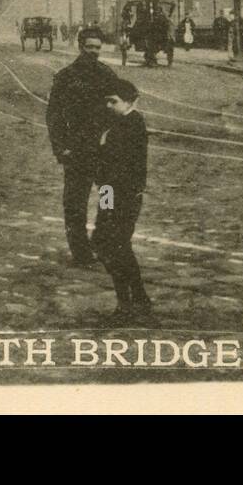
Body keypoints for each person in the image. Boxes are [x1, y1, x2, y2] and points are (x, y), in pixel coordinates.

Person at [46, 27, 123, 266]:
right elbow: (55, 116)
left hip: (102, 151)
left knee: (108, 198)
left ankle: (102, 242)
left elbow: (118, 112)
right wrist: (61, 148)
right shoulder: (66, 76)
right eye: (89, 47)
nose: (93, 52)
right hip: (77, 150)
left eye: (97, 48)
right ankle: (80, 252)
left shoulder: (107, 75)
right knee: (76, 204)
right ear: (80, 47)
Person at [92, 79, 154, 324]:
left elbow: (121, 164)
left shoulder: (133, 124)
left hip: (124, 196)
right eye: (107, 100)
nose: (108, 105)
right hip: (109, 192)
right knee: (105, 241)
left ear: (129, 101)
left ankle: (127, 301)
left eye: (113, 101)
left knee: (115, 244)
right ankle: (137, 296)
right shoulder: (119, 121)